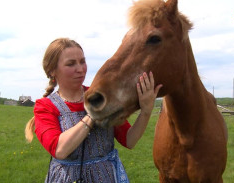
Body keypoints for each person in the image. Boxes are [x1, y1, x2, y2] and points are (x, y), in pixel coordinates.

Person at [25, 38, 162, 183]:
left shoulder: (101, 95)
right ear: (52, 71)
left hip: (107, 177)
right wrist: (92, 114)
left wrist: (146, 111)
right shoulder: (45, 106)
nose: (80, 68)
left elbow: (130, 140)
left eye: (82, 61)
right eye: (71, 64)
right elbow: (60, 150)